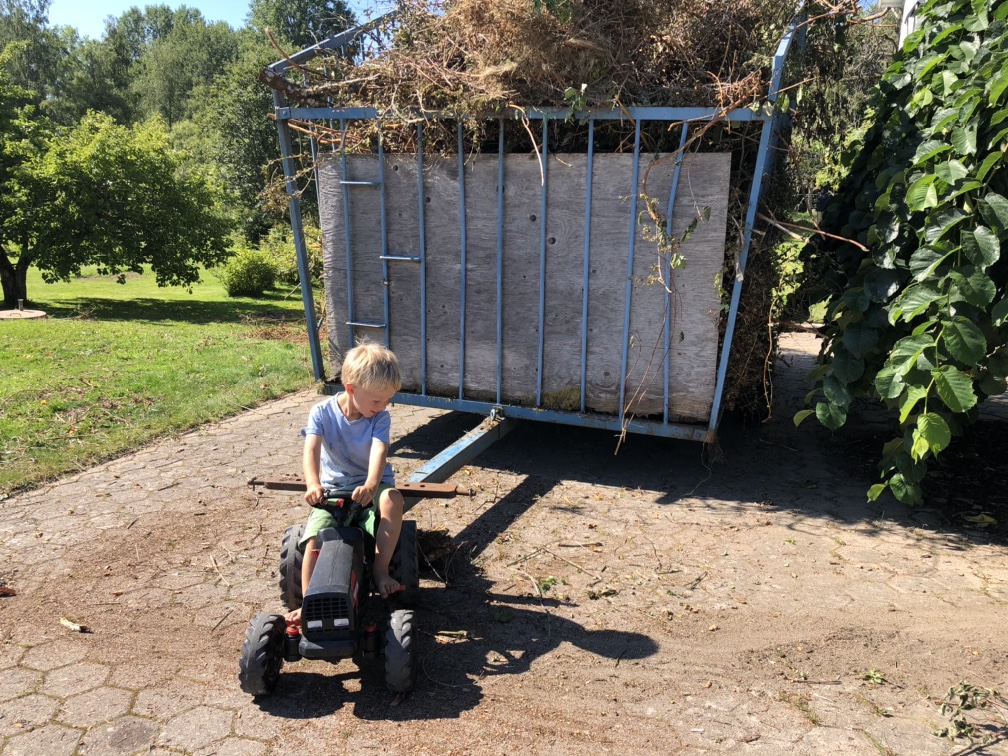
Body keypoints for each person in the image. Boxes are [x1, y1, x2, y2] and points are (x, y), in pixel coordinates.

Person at [286, 342, 404, 627]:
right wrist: (313, 484)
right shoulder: (322, 412)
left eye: (387, 400)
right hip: (334, 488)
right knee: (314, 536)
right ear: (351, 389)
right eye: (376, 401)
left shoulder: (380, 417)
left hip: (370, 485)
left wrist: (372, 485)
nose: (382, 407)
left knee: (393, 500)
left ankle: (380, 570)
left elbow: (379, 450)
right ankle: (309, 600)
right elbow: (311, 449)